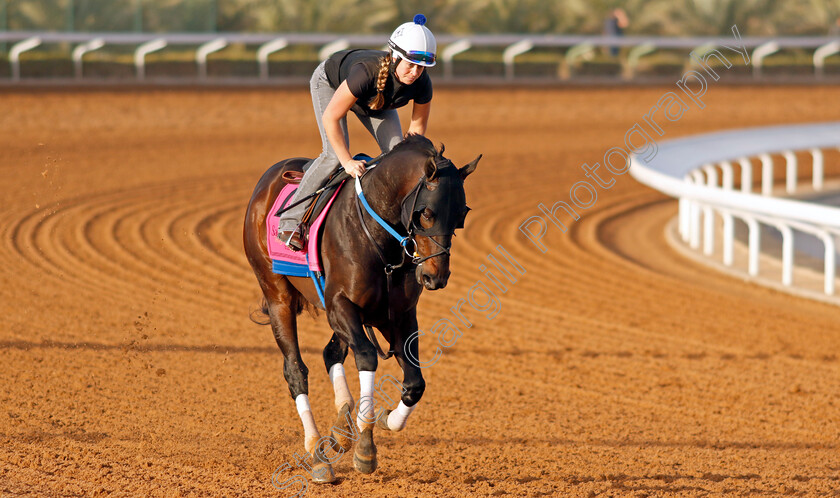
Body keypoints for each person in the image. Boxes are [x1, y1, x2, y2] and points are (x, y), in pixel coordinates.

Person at [277, 14, 436, 251]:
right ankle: (289, 221)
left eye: (421, 67)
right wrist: (347, 161)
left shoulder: (423, 84)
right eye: (410, 64)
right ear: (394, 57)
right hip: (331, 84)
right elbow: (331, 116)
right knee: (333, 156)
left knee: (398, 156)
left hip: (375, 100)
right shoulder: (366, 72)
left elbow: (415, 138)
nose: (415, 72)